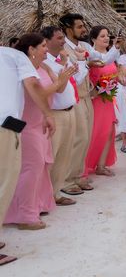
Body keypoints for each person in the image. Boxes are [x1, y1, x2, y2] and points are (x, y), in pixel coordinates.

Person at [5, 34, 74, 230]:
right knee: (30, 169)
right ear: (31, 49)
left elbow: (58, 90)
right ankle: (24, 215)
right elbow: (39, 93)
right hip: (28, 125)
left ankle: (37, 205)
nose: (46, 49)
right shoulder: (22, 68)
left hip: (41, 122)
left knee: (42, 167)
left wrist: (62, 79)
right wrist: (59, 81)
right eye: (43, 46)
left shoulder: (44, 67)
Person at [0, 45, 56, 265]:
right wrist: (47, 114)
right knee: (5, 184)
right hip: (5, 126)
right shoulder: (14, 55)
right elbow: (32, 84)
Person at [42, 26, 80, 207]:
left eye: (63, 37)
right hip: (56, 114)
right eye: (59, 38)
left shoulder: (60, 60)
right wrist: (64, 67)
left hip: (69, 111)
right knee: (52, 156)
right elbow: (59, 87)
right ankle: (44, 196)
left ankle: (55, 193)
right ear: (47, 41)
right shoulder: (46, 62)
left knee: (65, 155)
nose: (63, 41)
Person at [59, 13, 95, 195]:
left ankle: (79, 175)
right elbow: (73, 75)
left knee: (86, 137)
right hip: (75, 97)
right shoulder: (63, 48)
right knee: (78, 138)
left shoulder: (81, 46)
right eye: (80, 26)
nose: (84, 30)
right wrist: (84, 62)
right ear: (68, 28)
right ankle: (66, 180)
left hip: (87, 95)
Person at [83, 26, 119, 178]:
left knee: (110, 133)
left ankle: (102, 165)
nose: (106, 38)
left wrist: (114, 83)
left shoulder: (111, 56)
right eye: (102, 36)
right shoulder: (92, 58)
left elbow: (115, 75)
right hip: (96, 100)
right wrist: (99, 88)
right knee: (96, 133)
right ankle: (85, 165)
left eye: (107, 35)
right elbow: (88, 81)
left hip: (108, 99)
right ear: (93, 39)